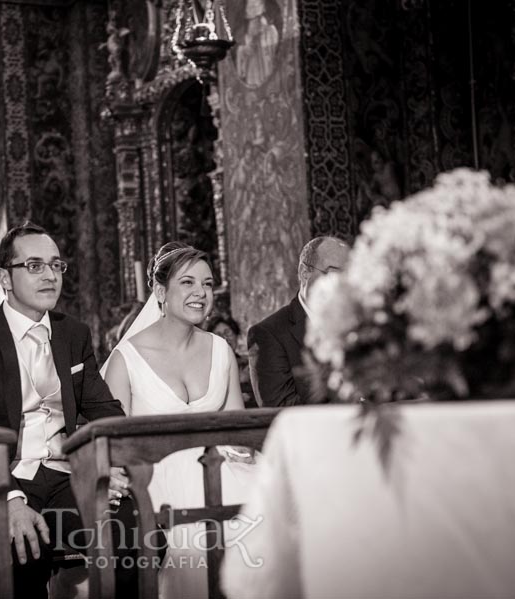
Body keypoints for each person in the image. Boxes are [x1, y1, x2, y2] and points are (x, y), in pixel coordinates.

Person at [0, 221, 138, 599]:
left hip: (67, 475)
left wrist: (109, 464)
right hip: (5, 476)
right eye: (34, 265)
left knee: (129, 532)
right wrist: (10, 500)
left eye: (56, 265)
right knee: (22, 549)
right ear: (4, 277)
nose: (50, 275)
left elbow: (105, 410)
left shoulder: (74, 333)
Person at [103, 241, 257, 598]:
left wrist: (246, 451)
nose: (201, 293)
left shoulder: (221, 350)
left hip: (219, 467)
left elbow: (237, 427)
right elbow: (112, 440)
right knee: (200, 538)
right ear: (160, 291)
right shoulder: (125, 359)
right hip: (156, 477)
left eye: (207, 283)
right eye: (188, 283)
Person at [247, 236, 351, 407]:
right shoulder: (269, 334)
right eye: (334, 274)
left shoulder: (359, 324)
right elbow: (278, 409)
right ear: (304, 273)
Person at [206, 314, 257, 409]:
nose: (225, 338)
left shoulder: (249, 364)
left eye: (228, 333)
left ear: (236, 335)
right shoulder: (206, 367)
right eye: (219, 335)